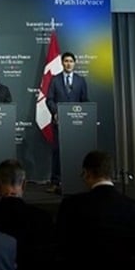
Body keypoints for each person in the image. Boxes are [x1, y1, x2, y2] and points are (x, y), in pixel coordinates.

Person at [45, 51, 89, 194]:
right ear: (62, 63)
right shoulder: (55, 80)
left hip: (76, 123)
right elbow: (49, 99)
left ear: (74, 63)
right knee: (57, 152)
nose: (68, 64)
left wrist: (85, 114)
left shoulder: (81, 80)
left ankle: (77, 180)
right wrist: (55, 112)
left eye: (71, 61)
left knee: (76, 151)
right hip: (59, 122)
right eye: (66, 61)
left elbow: (84, 100)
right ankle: (55, 181)